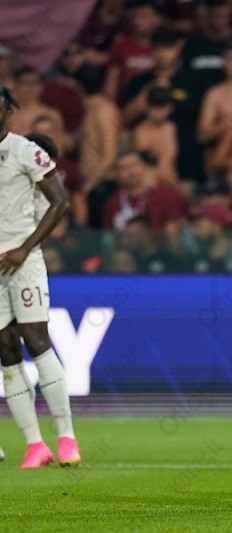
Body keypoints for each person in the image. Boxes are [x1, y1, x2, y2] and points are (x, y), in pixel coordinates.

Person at [0, 86, 78, 468]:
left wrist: (24, 248)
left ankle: (66, 437)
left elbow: (60, 202)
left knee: (36, 340)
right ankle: (35, 445)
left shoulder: (25, 150)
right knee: (6, 351)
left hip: (23, 260)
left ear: (8, 110)